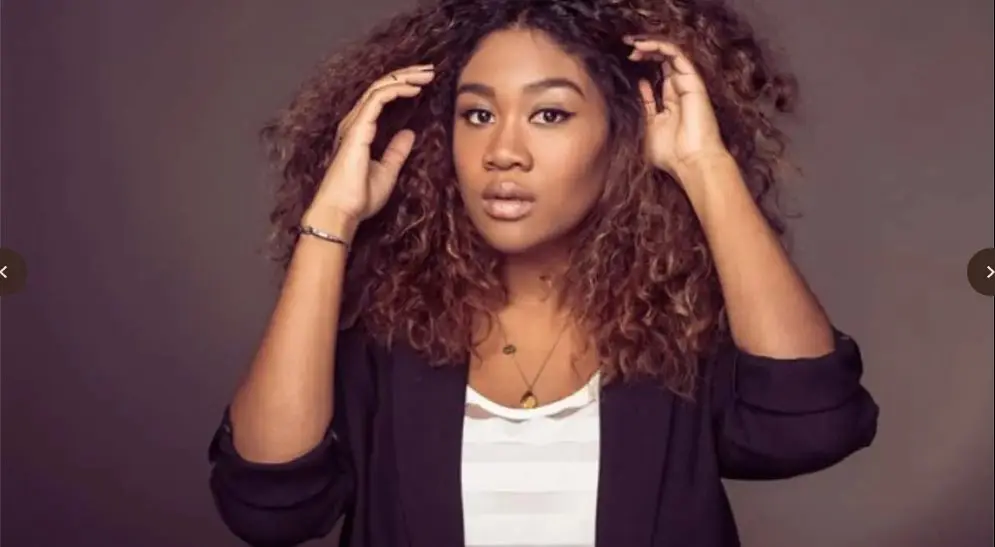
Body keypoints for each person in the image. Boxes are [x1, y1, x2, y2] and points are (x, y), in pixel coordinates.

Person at [207, 0, 879, 545]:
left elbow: (813, 424)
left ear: (621, 135)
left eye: (549, 114)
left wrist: (704, 166)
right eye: (477, 114)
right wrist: (331, 220)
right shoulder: (383, 330)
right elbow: (268, 507)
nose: (503, 151)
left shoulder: (681, 328)